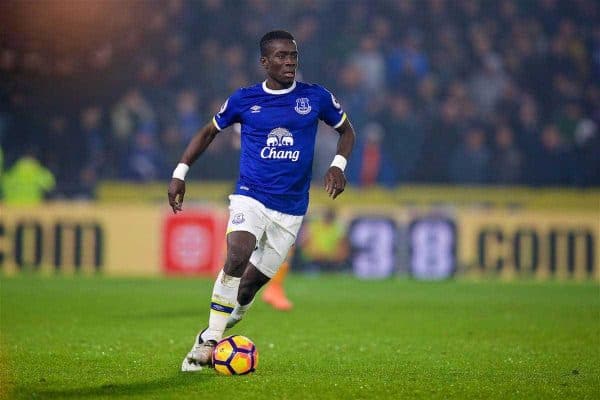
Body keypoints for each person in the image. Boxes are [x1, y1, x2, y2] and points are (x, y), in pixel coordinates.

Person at [167, 30, 356, 372]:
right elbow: (209, 131)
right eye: (282, 57)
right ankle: (210, 340)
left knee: (247, 290)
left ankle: (207, 335)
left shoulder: (315, 97)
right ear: (264, 62)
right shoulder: (244, 100)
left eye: (293, 56)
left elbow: (347, 131)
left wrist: (337, 166)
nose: (289, 63)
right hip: (250, 197)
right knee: (237, 254)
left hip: (291, 208)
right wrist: (180, 172)